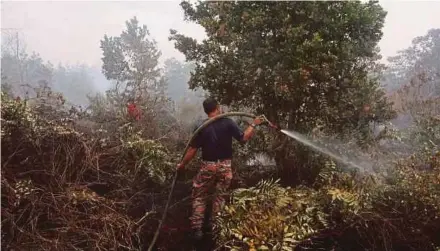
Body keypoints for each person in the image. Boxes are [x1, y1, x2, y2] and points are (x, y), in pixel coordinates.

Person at [176, 97, 263, 241]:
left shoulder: (201, 126)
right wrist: (254, 124)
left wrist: (182, 165)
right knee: (220, 196)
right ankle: (216, 228)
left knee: (199, 195)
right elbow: (243, 138)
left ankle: (197, 230)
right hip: (225, 166)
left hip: (208, 166)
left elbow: (192, 150)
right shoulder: (228, 123)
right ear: (217, 108)